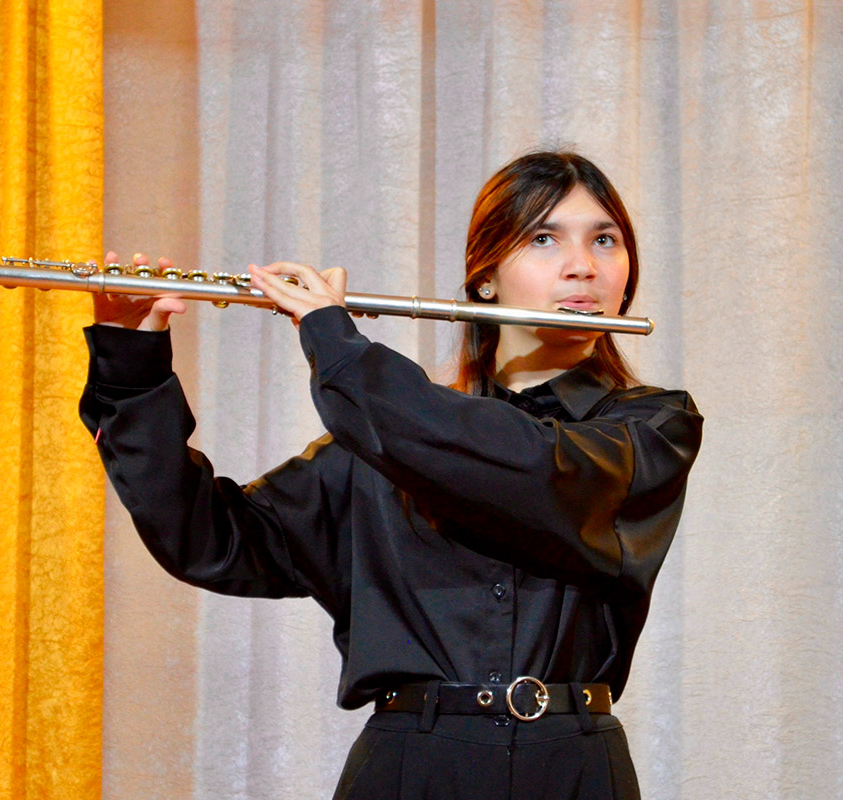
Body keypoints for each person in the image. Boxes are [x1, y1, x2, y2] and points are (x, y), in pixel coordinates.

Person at [80, 151, 702, 799]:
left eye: (604, 239)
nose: (583, 266)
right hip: (411, 766)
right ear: (485, 278)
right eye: (544, 238)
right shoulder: (383, 440)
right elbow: (211, 540)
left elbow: (531, 469)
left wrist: (337, 344)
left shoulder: (651, 428)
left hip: (575, 769)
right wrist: (132, 363)